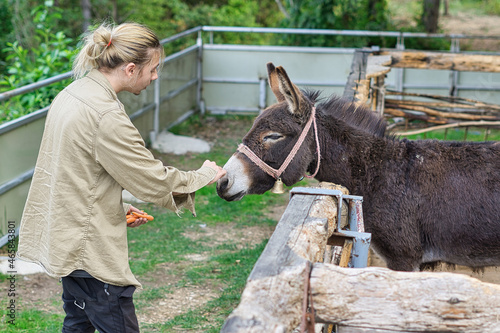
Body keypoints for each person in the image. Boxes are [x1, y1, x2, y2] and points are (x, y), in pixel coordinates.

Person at [16, 22, 226, 332]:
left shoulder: (72, 93)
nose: (155, 76)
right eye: (153, 69)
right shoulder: (105, 114)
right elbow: (152, 179)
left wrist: (113, 206)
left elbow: (72, 172)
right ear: (130, 69)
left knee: (77, 324)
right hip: (88, 254)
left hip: (66, 240)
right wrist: (203, 174)